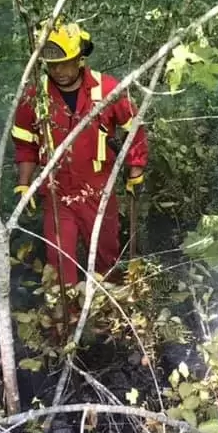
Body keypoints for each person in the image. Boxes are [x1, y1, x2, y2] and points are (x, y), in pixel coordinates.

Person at [11, 18, 148, 285]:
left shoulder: (107, 89)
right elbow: (26, 143)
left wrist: (136, 171)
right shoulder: (34, 97)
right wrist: (23, 185)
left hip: (99, 190)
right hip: (57, 192)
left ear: (80, 58)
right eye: (52, 65)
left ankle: (110, 314)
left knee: (107, 256)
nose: (59, 70)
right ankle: (68, 319)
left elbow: (135, 130)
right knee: (60, 264)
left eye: (65, 63)